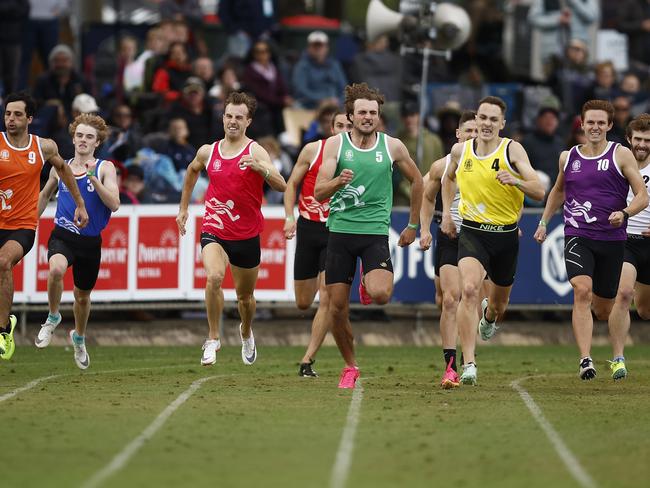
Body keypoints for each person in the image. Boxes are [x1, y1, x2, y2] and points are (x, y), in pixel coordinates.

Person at [314, 83, 423, 389]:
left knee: (381, 295)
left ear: (379, 116)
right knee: (335, 309)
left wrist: (413, 224)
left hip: (374, 233)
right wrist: (338, 181)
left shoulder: (392, 147)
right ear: (350, 115)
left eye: (373, 113)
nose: (367, 117)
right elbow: (318, 191)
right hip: (339, 232)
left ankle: (365, 280)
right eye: (362, 112)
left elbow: (418, 182)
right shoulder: (336, 146)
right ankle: (350, 365)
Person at [534, 100, 648, 380]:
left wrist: (624, 212)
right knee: (581, 290)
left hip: (612, 239)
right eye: (590, 122)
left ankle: (609, 343)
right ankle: (586, 359)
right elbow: (558, 191)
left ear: (610, 126)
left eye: (601, 123)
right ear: (582, 124)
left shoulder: (621, 155)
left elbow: (642, 196)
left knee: (604, 309)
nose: (595, 127)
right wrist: (543, 222)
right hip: (578, 235)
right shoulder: (568, 157)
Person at [441, 96, 545, 385]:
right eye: (482, 118)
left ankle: (488, 317)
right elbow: (448, 179)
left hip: (506, 236)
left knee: (498, 307)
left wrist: (517, 181)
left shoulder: (512, 149)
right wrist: (449, 214)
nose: (486, 124)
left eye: (492, 119)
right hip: (472, 231)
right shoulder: (460, 151)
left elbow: (538, 190)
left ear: (502, 123)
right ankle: (470, 364)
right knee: (470, 289)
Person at [176, 91, 286, 366]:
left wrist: (260, 167)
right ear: (222, 118)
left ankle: (246, 331)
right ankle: (213, 338)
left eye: (239, 117)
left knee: (245, 298)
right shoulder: (208, 150)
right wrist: (183, 208)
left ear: (248, 121)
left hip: (246, 235)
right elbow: (191, 171)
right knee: (213, 277)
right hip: (214, 226)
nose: (232, 121)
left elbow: (282, 185)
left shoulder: (255, 150)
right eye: (228, 116)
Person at [0, 92, 88, 361]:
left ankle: (3, 331)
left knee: (3, 262)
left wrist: (80, 204)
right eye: (7, 114)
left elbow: (64, 170)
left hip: (22, 226)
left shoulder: (43, 147)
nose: (10, 119)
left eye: (17, 114)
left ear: (29, 118)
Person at [35, 114, 119, 369]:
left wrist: (93, 178)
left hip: (90, 242)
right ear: (73, 138)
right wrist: (27, 223)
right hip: (63, 235)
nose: (83, 140)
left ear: (97, 143)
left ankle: (79, 338)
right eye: (80, 135)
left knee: (82, 297)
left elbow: (114, 204)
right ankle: (52, 317)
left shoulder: (105, 168)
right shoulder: (60, 167)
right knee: (56, 269)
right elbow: (43, 195)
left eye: (89, 137)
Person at [284, 109, 352, 378]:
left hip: (335, 229)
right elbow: (291, 185)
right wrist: (289, 217)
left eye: (349, 125)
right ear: (331, 128)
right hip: (307, 227)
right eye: (340, 125)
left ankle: (307, 359)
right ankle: (340, 324)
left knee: (326, 296)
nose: (345, 130)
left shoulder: (362, 156)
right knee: (303, 302)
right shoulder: (313, 150)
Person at [420, 110, 485, 389]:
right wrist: (422, 228)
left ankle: (471, 348)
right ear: (458, 134)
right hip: (450, 232)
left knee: (477, 302)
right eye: (467, 131)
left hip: (481, 235)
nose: (472, 135)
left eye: (476, 131)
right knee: (448, 299)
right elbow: (425, 195)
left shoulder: (490, 163)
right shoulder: (441, 166)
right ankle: (451, 367)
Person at [607, 114, 650, 380]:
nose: (643, 144)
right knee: (623, 294)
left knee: (645, 310)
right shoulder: (618, 164)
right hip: (625, 241)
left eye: (647, 140)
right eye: (638, 139)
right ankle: (618, 358)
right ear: (629, 140)